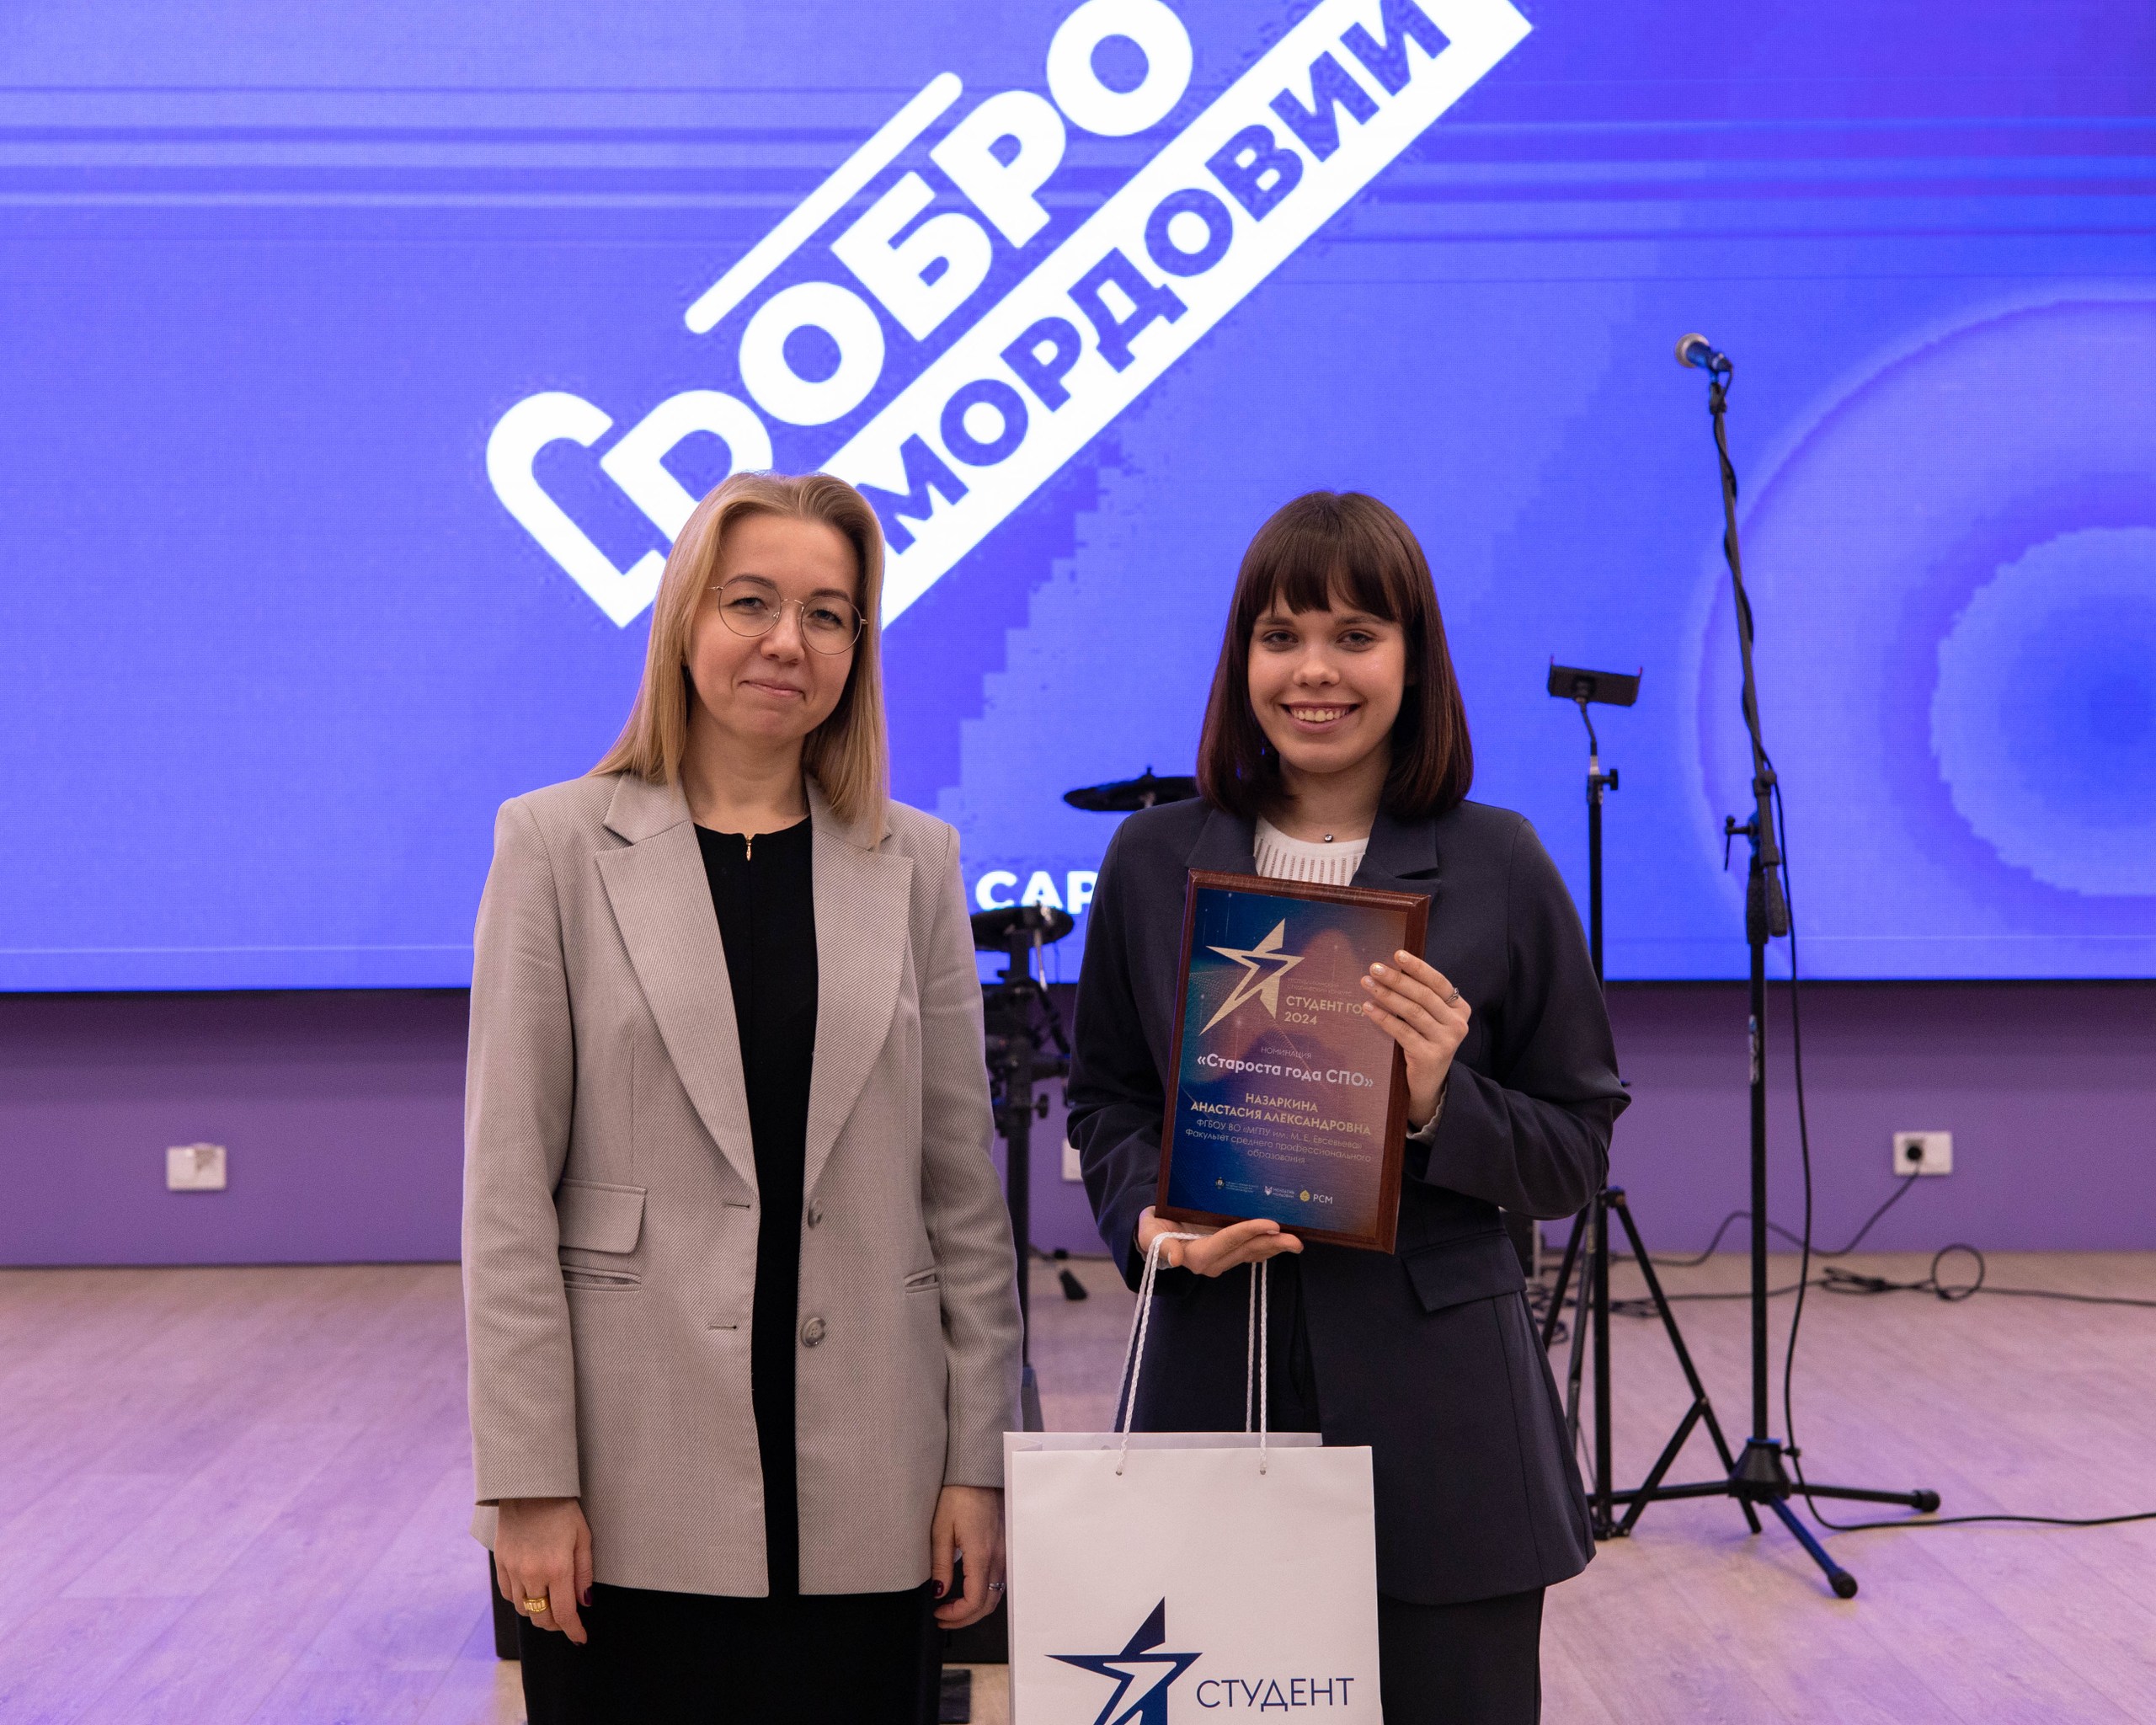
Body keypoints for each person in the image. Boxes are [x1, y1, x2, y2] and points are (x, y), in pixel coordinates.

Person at [462, 471, 1022, 1724]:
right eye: (751, 601)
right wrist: (528, 1482)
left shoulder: (917, 861)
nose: (788, 641)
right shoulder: (554, 846)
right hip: (626, 1486)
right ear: (684, 620)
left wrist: (977, 1466)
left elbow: (961, 1202)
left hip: (871, 1487)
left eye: (828, 615)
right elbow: (506, 1203)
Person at [1067, 491, 1627, 1724]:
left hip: (1448, 1426)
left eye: (1356, 636)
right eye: (1281, 636)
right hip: (1212, 1386)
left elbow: (1575, 1150)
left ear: (1414, 662)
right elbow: (1106, 1099)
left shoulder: (1500, 863)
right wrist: (1149, 1226)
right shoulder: (1153, 862)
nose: (1314, 671)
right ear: (1242, 662)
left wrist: (1437, 1101)